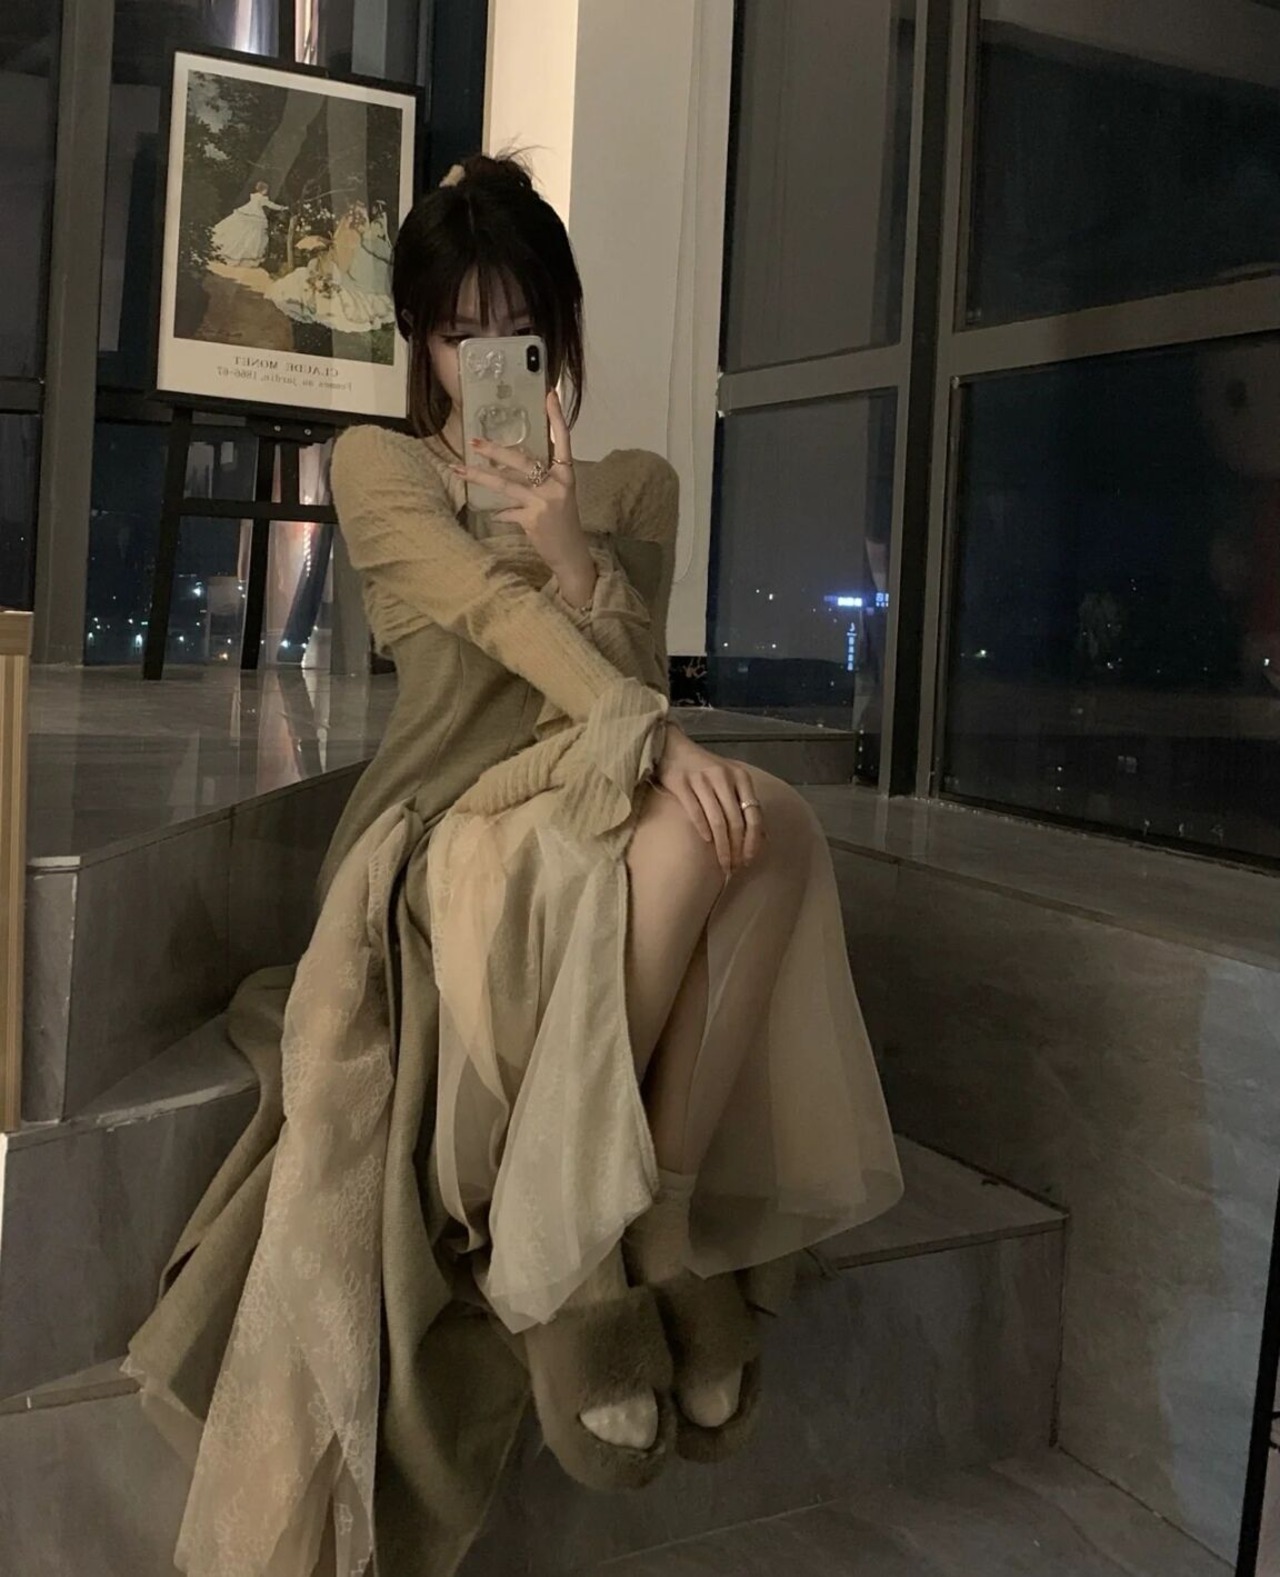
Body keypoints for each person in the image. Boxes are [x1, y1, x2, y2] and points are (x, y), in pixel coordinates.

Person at [123, 151, 905, 1577]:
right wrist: (597, 652)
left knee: (777, 828)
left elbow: (621, 686)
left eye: (517, 330)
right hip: (448, 830)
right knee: (699, 830)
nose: (486, 361)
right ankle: (566, 1240)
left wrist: (577, 551)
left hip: (599, 798)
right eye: (457, 334)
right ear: (420, 347)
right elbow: (497, 627)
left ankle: (648, 1225)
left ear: (563, 332)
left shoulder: (637, 489)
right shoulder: (382, 468)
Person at [209, 179, 288, 268]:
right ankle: (243, 256)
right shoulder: (262, 198)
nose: (267, 192)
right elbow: (271, 205)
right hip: (255, 215)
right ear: (263, 190)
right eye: (266, 190)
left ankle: (235, 251)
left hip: (247, 211)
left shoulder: (253, 196)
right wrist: (282, 208)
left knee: (245, 232)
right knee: (253, 235)